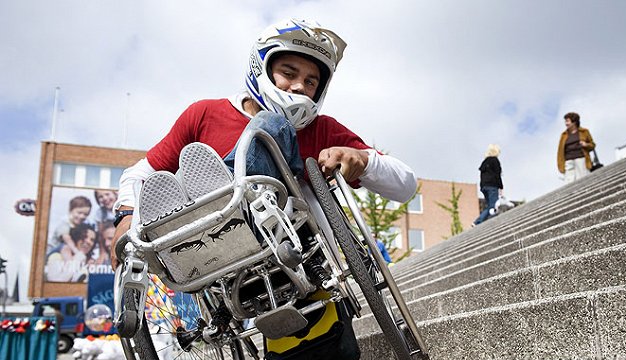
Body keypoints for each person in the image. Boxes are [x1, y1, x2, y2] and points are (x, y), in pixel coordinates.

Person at [110, 18, 416, 268]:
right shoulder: (204, 114)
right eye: (289, 73)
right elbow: (139, 174)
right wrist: (126, 217)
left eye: (311, 81)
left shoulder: (322, 129)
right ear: (262, 69)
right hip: (211, 256)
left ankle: (225, 198)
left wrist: (360, 159)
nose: (300, 87)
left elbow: (405, 186)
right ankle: (214, 204)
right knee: (268, 124)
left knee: (271, 125)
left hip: (298, 249)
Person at [557, 112, 595, 183]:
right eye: (565, 121)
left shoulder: (584, 132)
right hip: (568, 160)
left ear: (574, 122)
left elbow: (592, 145)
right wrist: (560, 164)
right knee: (569, 181)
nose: (566, 123)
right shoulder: (564, 135)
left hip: (581, 158)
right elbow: (560, 150)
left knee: (583, 179)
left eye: (567, 121)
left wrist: (586, 144)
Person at [472, 144, 503, 226]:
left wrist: (483, 187)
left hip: (484, 186)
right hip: (492, 185)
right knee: (494, 205)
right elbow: (497, 174)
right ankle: (481, 221)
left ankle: (479, 221)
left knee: (490, 206)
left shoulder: (484, 162)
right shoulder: (495, 160)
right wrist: (501, 187)